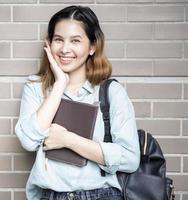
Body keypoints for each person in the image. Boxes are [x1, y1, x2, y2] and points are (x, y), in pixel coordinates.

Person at [15, 5, 140, 200]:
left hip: (102, 195)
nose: (65, 49)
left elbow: (130, 158)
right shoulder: (35, 87)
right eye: (58, 40)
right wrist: (59, 85)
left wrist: (68, 140)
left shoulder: (111, 92)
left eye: (75, 41)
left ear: (92, 47)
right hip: (51, 196)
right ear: (48, 44)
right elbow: (28, 141)